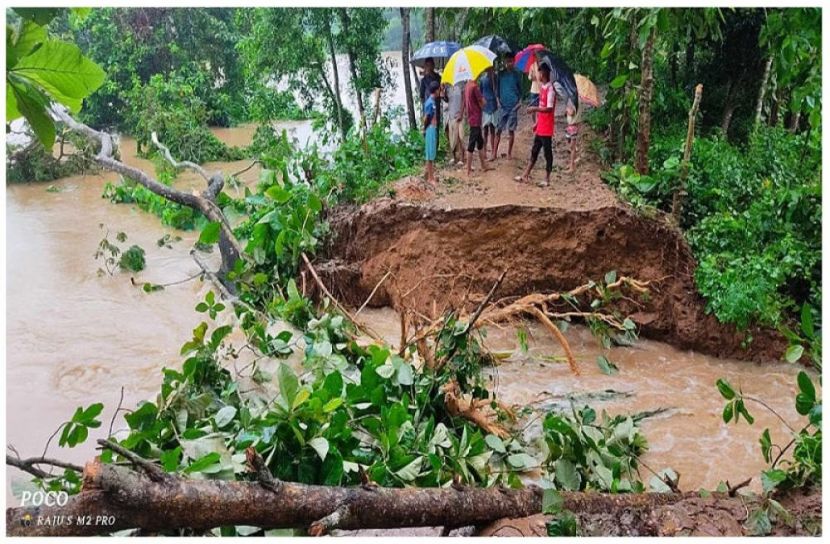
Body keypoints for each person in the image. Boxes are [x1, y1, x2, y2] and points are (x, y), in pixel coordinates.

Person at [516, 64, 555, 187]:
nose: (538, 75)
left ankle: (547, 178)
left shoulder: (550, 90)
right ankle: (525, 174)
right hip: (541, 126)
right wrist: (537, 123)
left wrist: (534, 109)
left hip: (547, 127)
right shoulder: (543, 88)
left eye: (539, 72)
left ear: (543, 74)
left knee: (547, 152)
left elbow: (548, 108)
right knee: (535, 150)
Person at [494, 53, 522, 160]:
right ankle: (494, 153)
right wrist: (497, 101)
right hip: (502, 106)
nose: (509, 63)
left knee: (511, 130)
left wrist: (519, 103)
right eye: (507, 61)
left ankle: (509, 153)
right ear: (504, 62)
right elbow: (497, 90)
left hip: (513, 107)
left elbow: (520, 91)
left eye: (511, 61)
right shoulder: (500, 74)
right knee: (498, 130)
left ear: (514, 61)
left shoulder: (517, 75)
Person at [464, 76, 491, 177]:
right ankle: (468, 170)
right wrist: (484, 101)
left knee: (480, 141)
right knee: (471, 143)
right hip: (475, 118)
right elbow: (482, 103)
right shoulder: (475, 87)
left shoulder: (467, 86)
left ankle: (483, 165)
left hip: (472, 117)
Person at [419, 58, 442, 149]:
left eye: (430, 65)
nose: (428, 67)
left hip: (436, 105)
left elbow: (441, 91)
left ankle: (435, 148)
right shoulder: (424, 80)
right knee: (427, 125)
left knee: (436, 126)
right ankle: (428, 147)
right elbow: (421, 94)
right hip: (427, 105)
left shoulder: (438, 78)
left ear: (433, 65)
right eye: (426, 65)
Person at [443, 81, 466, 166]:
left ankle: (462, 158)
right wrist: (443, 92)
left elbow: (464, 99)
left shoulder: (461, 83)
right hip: (451, 115)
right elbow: (446, 100)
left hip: (460, 114)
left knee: (461, 137)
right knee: (452, 137)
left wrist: (461, 112)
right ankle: (454, 157)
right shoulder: (447, 85)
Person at [478, 67, 499, 161]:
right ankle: (485, 150)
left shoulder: (495, 77)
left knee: (492, 129)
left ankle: (493, 152)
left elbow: (497, 91)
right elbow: (480, 93)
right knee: (485, 131)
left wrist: (494, 82)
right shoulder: (482, 79)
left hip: (493, 106)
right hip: (485, 107)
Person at [422, 80, 440, 186]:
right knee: (429, 154)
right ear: (436, 90)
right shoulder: (430, 103)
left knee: (431, 152)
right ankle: (430, 177)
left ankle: (429, 174)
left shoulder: (432, 101)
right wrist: (424, 128)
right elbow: (427, 117)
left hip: (432, 127)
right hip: (430, 128)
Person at [565, 99, 582, 173]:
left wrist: (567, 109)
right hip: (571, 125)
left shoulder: (574, 101)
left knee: (572, 147)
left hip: (573, 125)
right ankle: (572, 162)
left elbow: (571, 113)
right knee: (571, 146)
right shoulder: (577, 99)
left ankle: (572, 167)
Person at [528, 60, 540, 125]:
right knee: (532, 107)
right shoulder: (532, 65)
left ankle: (539, 122)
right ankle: (534, 122)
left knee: (540, 107)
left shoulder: (543, 64)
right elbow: (529, 77)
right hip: (533, 90)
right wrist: (532, 76)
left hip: (541, 89)